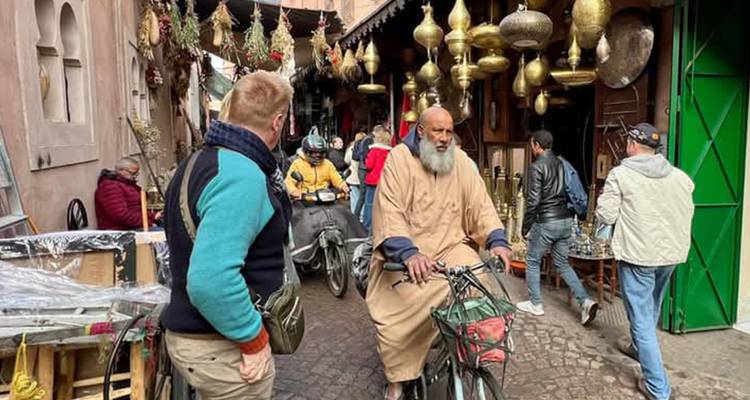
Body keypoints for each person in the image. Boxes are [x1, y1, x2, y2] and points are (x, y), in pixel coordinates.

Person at [161, 71, 294, 400]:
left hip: (201, 337)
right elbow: (211, 280)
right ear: (277, 122)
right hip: (220, 345)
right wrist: (254, 338)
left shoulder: (197, 162)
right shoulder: (242, 174)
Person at [366, 106, 513, 400]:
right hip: (408, 254)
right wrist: (408, 253)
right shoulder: (399, 159)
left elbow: (480, 205)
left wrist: (497, 240)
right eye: (438, 130)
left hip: (450, 248)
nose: (445, 138)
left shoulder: (460, 161)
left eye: (449, 131)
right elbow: (389, 212)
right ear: (420, 131)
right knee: (396, 319)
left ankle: (466, 353)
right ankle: (397, 380)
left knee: (480, 281)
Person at [596, 123, 694, 400]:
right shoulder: (679, 176)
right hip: (671, 254)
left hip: (639, 254)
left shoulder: (621, 175)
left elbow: (606, 214)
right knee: (651, 307)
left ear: (631, 145)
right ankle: (639, 348)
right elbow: (688, 208)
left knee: (640, 317)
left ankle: (657, 387)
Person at [517, 130, 599, 325]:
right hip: (565, 221)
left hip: (546, 221)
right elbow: (571, 191)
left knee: (533, 260)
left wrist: (525, 227)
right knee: (562, 263)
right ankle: (585, 301)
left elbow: (534, 201)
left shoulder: (536, 167)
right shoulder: (563, 164)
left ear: (536, 145)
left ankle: (535, 303)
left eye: (532, 144)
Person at [95, 157, 162, 230]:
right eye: (132, 173)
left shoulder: (126, 183)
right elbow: (121, 216)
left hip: (133, 224)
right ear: (121, 170)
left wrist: (153, 216)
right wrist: (149, 222)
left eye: (136, 173)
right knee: (165, 232)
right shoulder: (110, 186)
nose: (135, 176)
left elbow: (136, 209)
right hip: (120, 229)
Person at [284, 134, 349, 198]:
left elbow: (336, 177)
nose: (317, 156)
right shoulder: (297, 164)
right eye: (314, 153)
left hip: (326, 198)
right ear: (306, 152)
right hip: (305, 200)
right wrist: (294, 191)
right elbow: (289, 182)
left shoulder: (327, 164)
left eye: (320, 153)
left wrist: (343, 186)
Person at [362, 126, 392, 233]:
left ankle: (367, 228)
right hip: (385, 182)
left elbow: (369, 165)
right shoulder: (390, 152)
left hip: (373, 181)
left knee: (369, 205)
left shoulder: (374, 151)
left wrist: (366, 159)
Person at [352, 128, 375, 219]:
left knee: (362, 195)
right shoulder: (369, 140)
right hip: (365, 169)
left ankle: (356, 216)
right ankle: (358, 216)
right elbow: (365, 156)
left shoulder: (362, 140)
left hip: (362, 169)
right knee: (364, 195)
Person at [345, 132, 367, 215]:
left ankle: (354, 217)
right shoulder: (366, 147)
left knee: (354, 198)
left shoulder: (352, 148)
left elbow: (346, 160)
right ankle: (362, 215)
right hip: (363, 178)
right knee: (363, 199)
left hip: (353, 177)